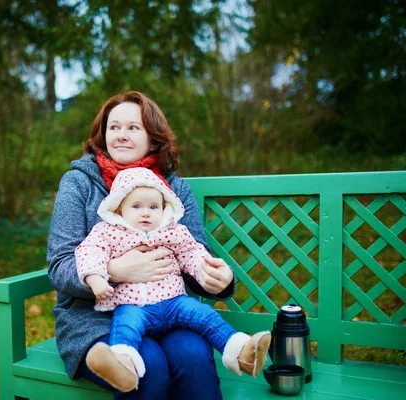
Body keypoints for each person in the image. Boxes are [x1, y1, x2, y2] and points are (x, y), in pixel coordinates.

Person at [47, 91, 235, 399]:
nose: (121, 135)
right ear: (102, 134)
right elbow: (59, 265)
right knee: (149, 367)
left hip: (167, 309)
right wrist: (113, 271)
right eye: (114, 127)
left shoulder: (174, 188)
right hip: (94, 320)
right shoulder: (79, 182)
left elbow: (194, 253)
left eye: (133, 128)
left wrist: (218, 280)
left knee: (194, 357)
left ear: (153, 137)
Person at [76, 167, 271, 392]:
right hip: (133, 305)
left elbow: (192, 252)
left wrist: (206, 270)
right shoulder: (107, 231)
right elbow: (90, 252)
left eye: (153, 207)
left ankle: (241, 352)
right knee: (125, 326)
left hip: (173, 301)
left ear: (164, 208)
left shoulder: (173, 231)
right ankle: (123, 365)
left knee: (204, 315)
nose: (146, 213)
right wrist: (97, 277)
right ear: (120, 209)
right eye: (137, 206)